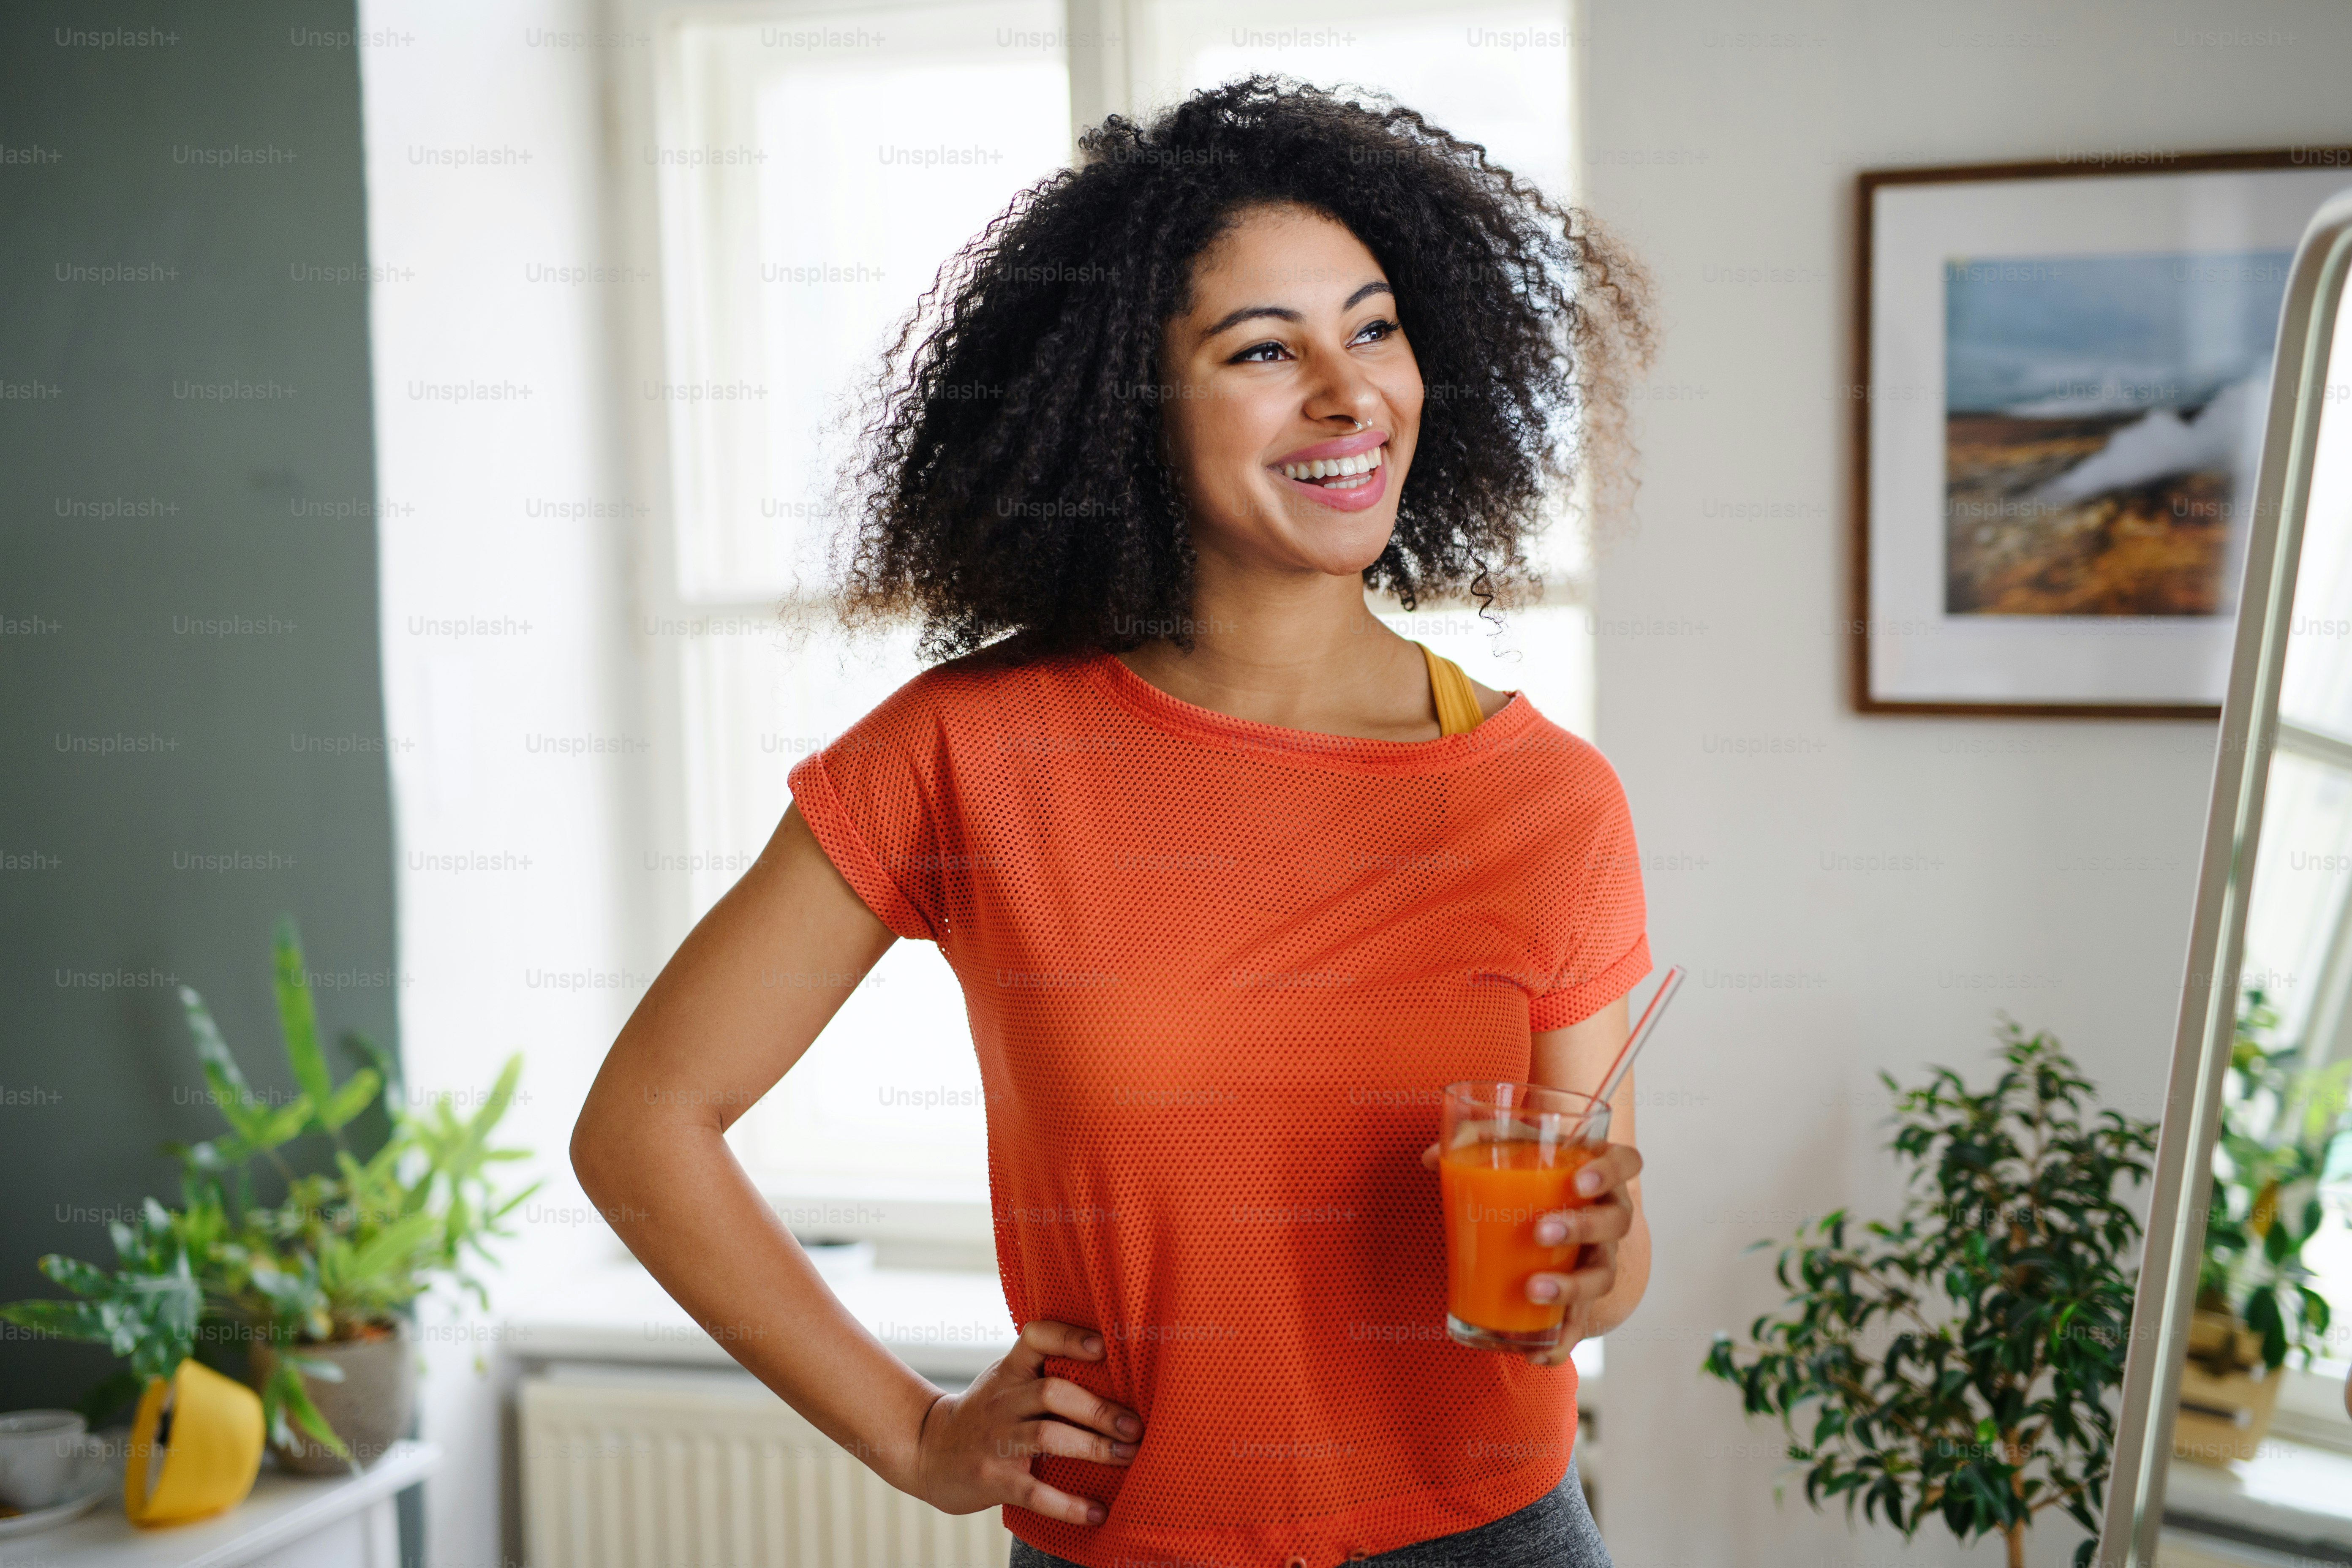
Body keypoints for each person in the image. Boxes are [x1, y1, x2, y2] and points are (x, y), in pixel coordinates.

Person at [573, 74, 1655, 1568]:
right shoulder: (967, 756)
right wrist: (914, 1433)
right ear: (1129, 408)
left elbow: (1595, 1233)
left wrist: (1607, 1263)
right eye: (1264, 350)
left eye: (1376, 327)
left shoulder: (1552, 802)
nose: (1350, 395)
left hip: (1499, 1538)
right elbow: (643, 1126)